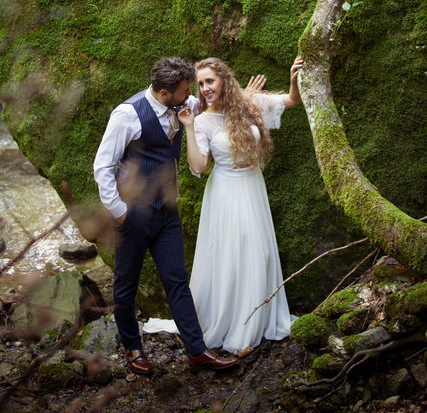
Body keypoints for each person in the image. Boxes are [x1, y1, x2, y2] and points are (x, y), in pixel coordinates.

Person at [93, 56, 263, 374]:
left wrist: (246, 96)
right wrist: (119, 212)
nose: (191, 95)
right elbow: (103, 166)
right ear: (164, 92)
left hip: (167, 213)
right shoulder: (127, 115)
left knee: (178, 280)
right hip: (134, 215)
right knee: (126, 285)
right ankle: (133, 348)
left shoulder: (185, 104)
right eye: (186, 91)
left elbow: (216, 101)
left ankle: (197, 351)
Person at [177, 56, 303, 355]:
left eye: (210, 81)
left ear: (224, 80)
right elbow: (198, 166)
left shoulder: (250, 104)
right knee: (232, 253)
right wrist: (189, 128)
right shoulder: (203, 121)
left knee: (258, 251)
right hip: (226, 190)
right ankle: (234, 325)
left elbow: (292, 101)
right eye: (201, 84)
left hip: (252, 185)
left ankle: (256, 319)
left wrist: (293, 80)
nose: (205, 88)